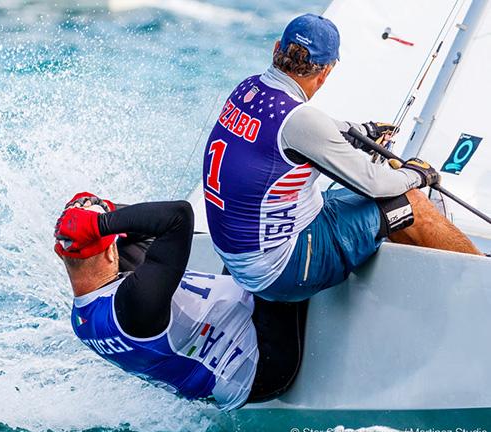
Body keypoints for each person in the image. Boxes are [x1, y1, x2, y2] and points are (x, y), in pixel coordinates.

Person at [202, 13, 482, 302]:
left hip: (239, 258)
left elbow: (307, 132)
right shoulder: (299, 122)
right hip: (280, 271)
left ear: (277, 49)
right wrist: (419, 173)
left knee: (339, 195)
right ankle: (482, 284)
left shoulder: (248, 89)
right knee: (411, 204)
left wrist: (362, 132)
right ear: (325, 72)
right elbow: (374, 184)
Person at [54, 192, 308, 410]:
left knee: (243, 229)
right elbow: (178, 215)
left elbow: (142, 232)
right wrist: (103, 221)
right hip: (262, 364)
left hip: (229, 365)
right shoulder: (134, 304)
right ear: (111, 252)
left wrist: (98, 212)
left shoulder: (83, 316)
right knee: (282, 222)